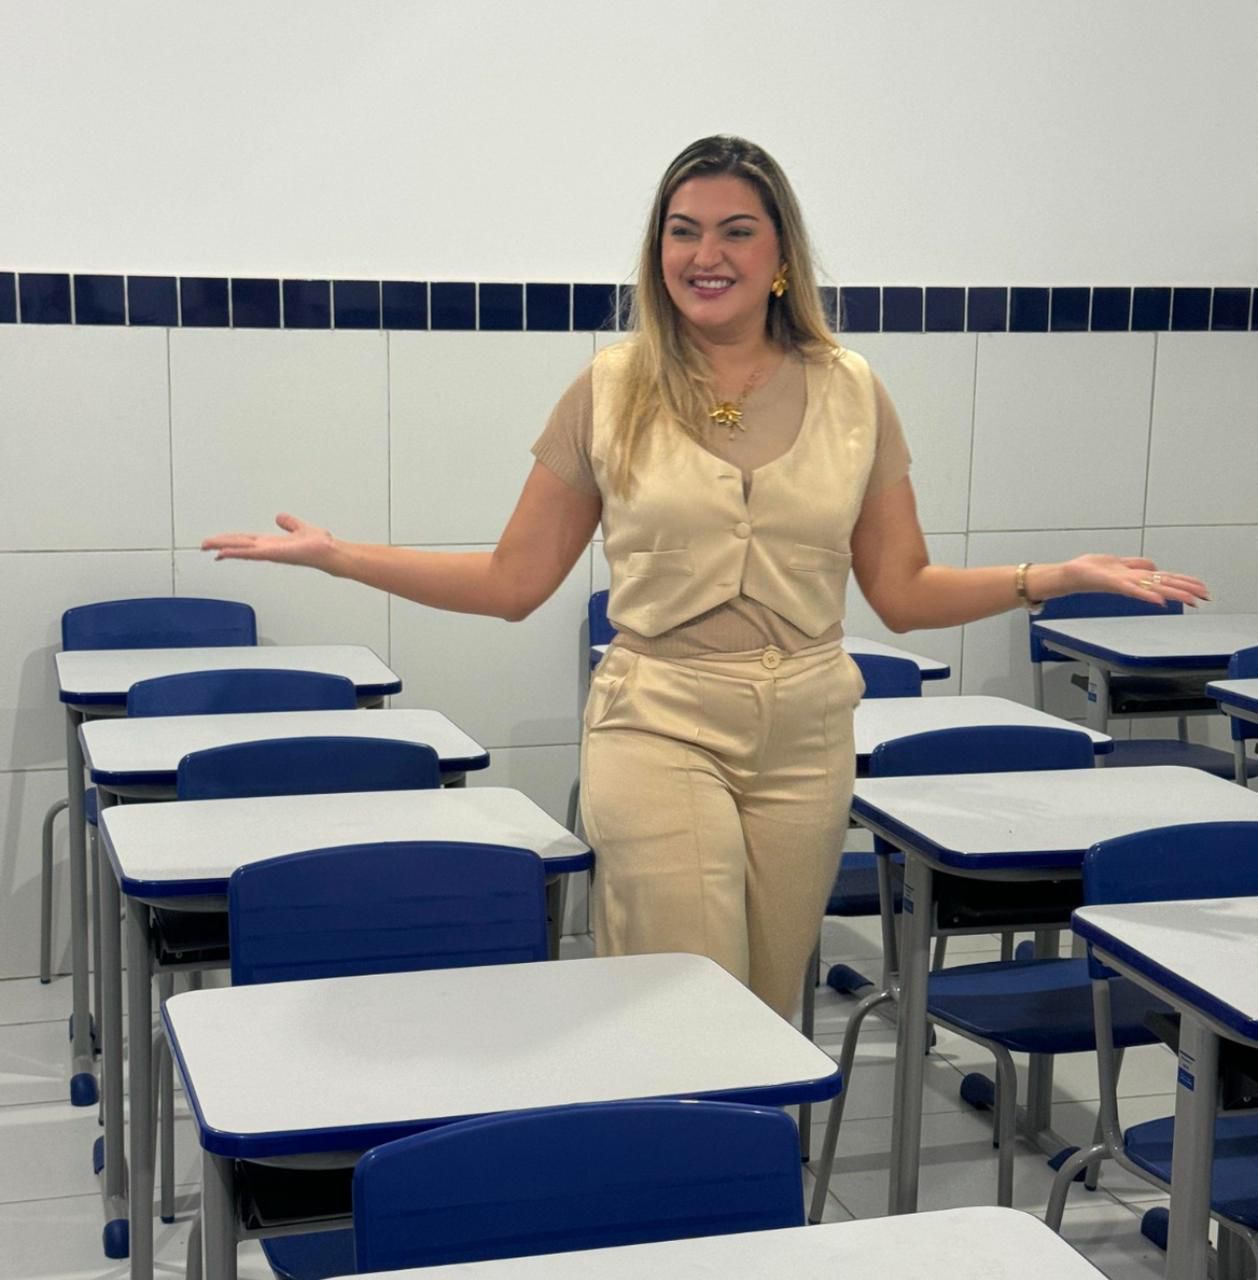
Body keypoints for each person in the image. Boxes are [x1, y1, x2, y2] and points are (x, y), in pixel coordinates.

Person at [203, 134, 1207, 1019]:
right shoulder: (610, 388)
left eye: (735, 232)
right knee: (682, 994)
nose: (705, 255)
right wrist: (341, 556)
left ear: (780, 255)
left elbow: (902, 592)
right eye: (682, 233)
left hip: (807, 728)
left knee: (766, 1004)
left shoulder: (852, 391)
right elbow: (513, 581)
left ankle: (750, 1173)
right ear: (658, 253)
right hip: (660, 715)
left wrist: (1048, 576)